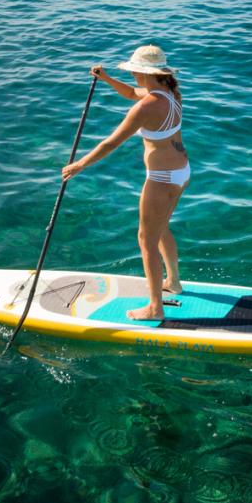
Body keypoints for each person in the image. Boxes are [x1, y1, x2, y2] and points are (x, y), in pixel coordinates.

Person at [62, 44, 190, 320]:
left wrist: (80, 164)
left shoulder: (146, 107)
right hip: (182, 171)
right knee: (161, 227)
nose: (132, 74)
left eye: (134, 70)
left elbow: (111, 143)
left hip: (161, 178)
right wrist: (107, 79)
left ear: (144, 72)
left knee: (146, 239)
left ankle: (155, 308)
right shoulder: (170, 93)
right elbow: (132, 93)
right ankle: (174, 282)